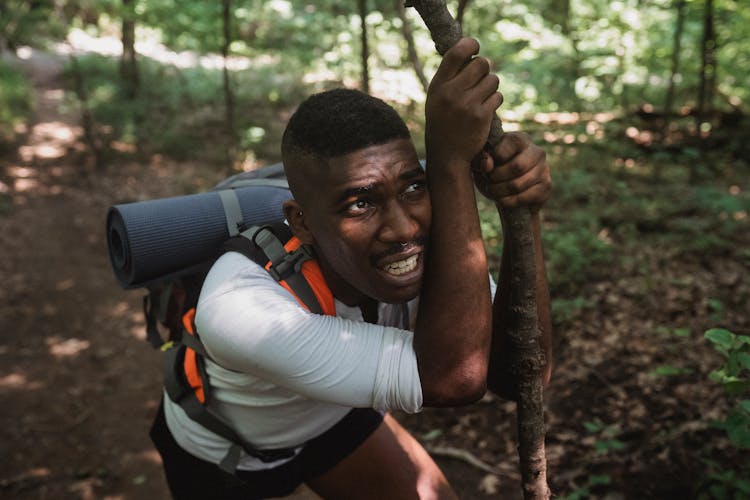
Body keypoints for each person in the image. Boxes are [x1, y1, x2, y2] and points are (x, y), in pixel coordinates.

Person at [149, 37, 552, 499]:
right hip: (222, 453)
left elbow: (520, 376)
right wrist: (450, 165)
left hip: (333, 421)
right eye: (360, 203)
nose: (402, 228)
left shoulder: (421, 248)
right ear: (302, 221)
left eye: (413, 187)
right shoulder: (238, 305)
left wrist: (523, 209)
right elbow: (454, 379)